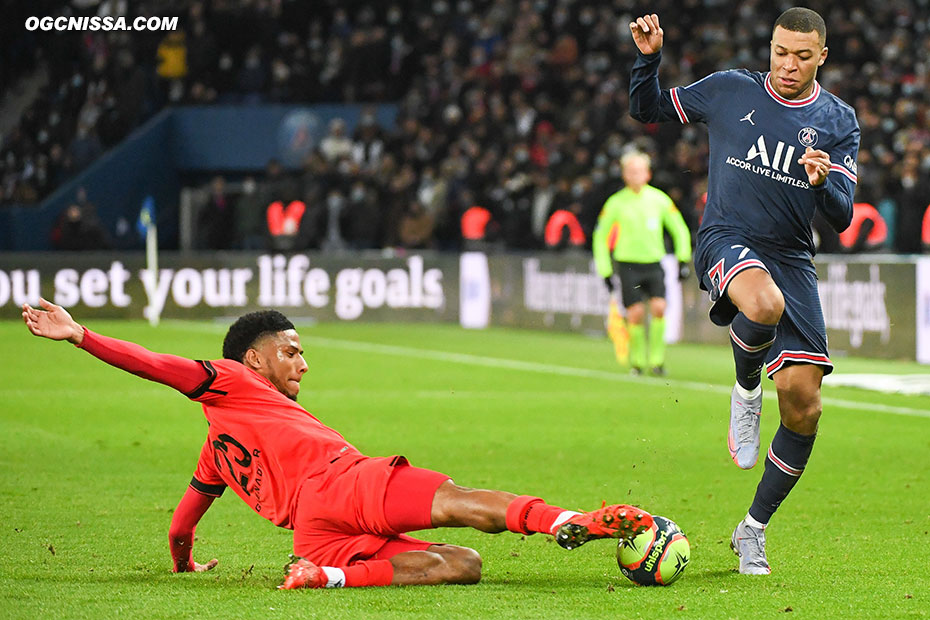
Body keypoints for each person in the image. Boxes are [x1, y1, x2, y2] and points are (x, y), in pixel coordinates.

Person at [22, 299, 653, 589]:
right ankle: (571, 522)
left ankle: (326, 577)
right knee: (458, 501)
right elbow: (158, 364)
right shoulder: (233, 378)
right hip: (343, 481)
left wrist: (185, 565)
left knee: (462, 564)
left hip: (314, 532)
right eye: (291, 351)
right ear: (253, 357)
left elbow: (182, 526)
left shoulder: (215, 451)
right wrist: (82, 336)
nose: (302, 363)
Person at [629, 8, 858, 574]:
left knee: (805, 407)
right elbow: (648, 109)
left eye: (803, 56)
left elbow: (844, 216)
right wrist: (648, 59)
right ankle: (746, 388)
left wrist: (823, 184)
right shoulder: (732, 89)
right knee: (761, 303)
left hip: (791, 256)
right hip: (727, 238)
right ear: (771, 47)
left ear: (821, 57)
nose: (788, 64)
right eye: (781, 51)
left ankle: (751, 530)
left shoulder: (838, 120)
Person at [592, 151, 691, 376]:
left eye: (638, 170)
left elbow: (679, 229)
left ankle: (657, 360)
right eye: (630, 171)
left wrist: (683, 258)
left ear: (647, 173)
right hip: (628, 264)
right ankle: (637, 362)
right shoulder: (616, 202)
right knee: (635, 313)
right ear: (624, 175)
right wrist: (605, 270)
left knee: (659, 308)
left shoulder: (659, 200)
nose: (634, 175)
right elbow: (600, 236)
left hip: (653, 263)